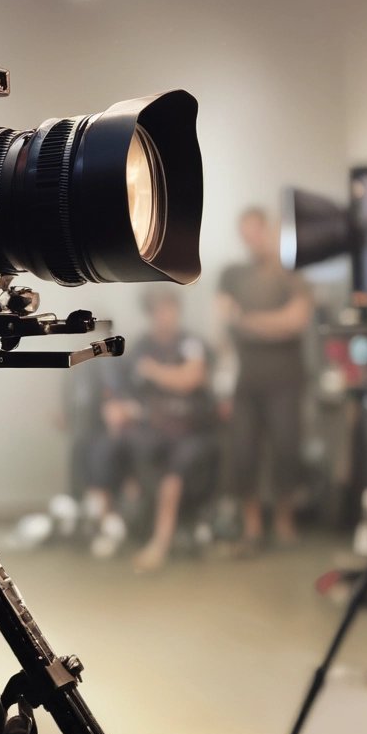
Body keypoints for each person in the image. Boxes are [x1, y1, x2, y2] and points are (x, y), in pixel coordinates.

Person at [85, 289, 216, 572]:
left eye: (168, 309)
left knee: (174, 467)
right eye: (158, 310)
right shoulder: (142, 346)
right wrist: (119, 409)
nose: (164, 316)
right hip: (151, 428)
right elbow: (128, 392)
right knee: (107, 448)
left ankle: (160, 542)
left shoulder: (191, 343)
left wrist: (155, 371)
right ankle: (112, 526)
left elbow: (190, 379)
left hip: (189, 429)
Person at [217, 206, 313, 551]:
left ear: (269, 230)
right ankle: (252, 529)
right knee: (243, 455)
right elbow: (224, 320)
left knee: (286, 451)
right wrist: (262, 325)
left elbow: (295, 321)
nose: (252, 238)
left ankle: (284, 524)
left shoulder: (291, 273)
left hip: (285, 381)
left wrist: (247, 322)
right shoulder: (232, 274)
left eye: (257, 230)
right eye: (246, 232)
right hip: (246, 382)